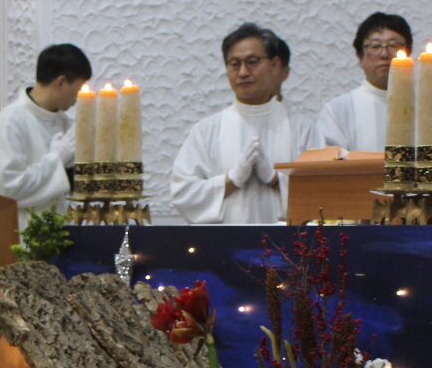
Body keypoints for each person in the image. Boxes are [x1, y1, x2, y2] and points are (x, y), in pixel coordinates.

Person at [168, 23, 310, 224]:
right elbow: (182, 193)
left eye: (252, 62)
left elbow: (322, 195)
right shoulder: (207, 130)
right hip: (224, 247)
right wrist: (231, 180)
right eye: (234, 64)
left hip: (289, 248)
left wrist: (276, 180)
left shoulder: (301, 128)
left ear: (274, 65)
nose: (243, 72)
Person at [0, 43, 92, 228]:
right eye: (79, 88)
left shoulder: (63, 122)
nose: (79, 97)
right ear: (61, 82)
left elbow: (66, 186)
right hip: (17, 235)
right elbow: (8, 190)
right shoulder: (9, 121)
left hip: (55, 233)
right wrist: (56, 159)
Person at [313, 12, 413, 152]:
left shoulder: (425, 108)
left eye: (394, 45)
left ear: (409, 54)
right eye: (375, 46)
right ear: (360, 57)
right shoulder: (338, 110)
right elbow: (328, 164)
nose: (384, 54)